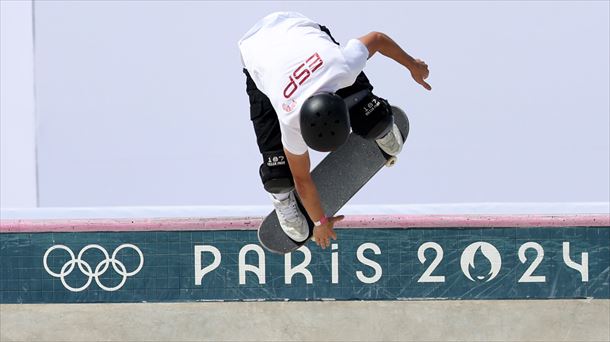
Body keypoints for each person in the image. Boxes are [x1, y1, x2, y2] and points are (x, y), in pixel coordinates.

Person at [238, 12, 431, 249]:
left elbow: (378, 39)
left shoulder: (342, 65)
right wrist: (319, 221)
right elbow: (301, 179)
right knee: (278, 173)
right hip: (258, 55)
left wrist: (413, 65)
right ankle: (282, 197)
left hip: (301, 34)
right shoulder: (289, 117)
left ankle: (374, 120)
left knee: (372, 117)